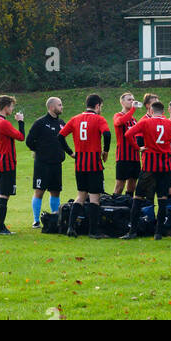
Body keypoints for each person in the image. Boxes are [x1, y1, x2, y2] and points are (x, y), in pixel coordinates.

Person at [122, 101, 171, 241]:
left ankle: (132, 232)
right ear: (163, 112)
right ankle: (158, 233)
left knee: (138, 197)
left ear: (151, 111)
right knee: (163, 198)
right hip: (165, 166)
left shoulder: (145, 122)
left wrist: (138, 148)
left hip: (149, 166)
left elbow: (128, 134)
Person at [59, 94, 112, 239]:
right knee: (95, 198)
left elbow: (60, 136)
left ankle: (71, 227)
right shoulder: (99, 119)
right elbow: (107, 134)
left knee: (81, 196)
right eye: (101, 106)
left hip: (80, 164)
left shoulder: (75, 119)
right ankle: (93, 232)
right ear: (97, 106)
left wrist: (70, 152)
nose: (101, 109)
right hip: (94, 164)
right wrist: (105, 151)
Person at [25, 97, 73, 228]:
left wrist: (70, 153)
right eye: (60, 105)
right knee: (39, 191)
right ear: (52, 107)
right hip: (42, 163)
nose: (62, 107)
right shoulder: (40, 123)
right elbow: (29, 141)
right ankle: (36, 220)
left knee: (56, 191)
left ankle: (55, 219)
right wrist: (39, 151)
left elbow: (63, 142)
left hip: (57, 163)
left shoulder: (62, 123)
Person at [0, 95, 26, 235]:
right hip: (6, 163)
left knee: (0, 194)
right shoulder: (3, 123)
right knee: (4, 195)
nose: (12, 109)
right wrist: (20, 122)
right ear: (6, 107)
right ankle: (0, 227)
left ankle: (0, 225)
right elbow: (21, 137)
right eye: (11, 106)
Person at [111, 92, 140, 196]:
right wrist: (132, 110)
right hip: (123, 156)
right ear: (122, 102)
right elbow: (119, 122)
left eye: (133, 100)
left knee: (132, 185)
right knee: (120, 185)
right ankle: (114, 206)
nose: (132, 102)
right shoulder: (117, 115)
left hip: (135, 156)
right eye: (129, 100)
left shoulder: (134, 120)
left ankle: (128, 206)